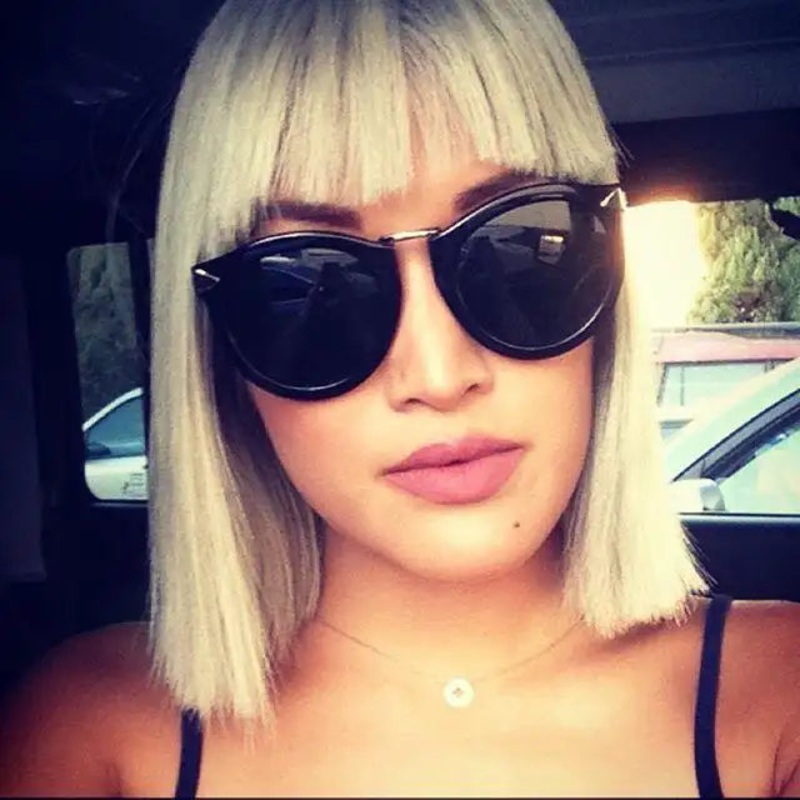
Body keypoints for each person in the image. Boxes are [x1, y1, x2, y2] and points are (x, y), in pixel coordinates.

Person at [1, 0, 799, 796]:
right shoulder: (94, 731)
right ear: (222, 355)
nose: (439, 374)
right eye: (310, 289)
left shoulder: (776, 699)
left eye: (518, 252)